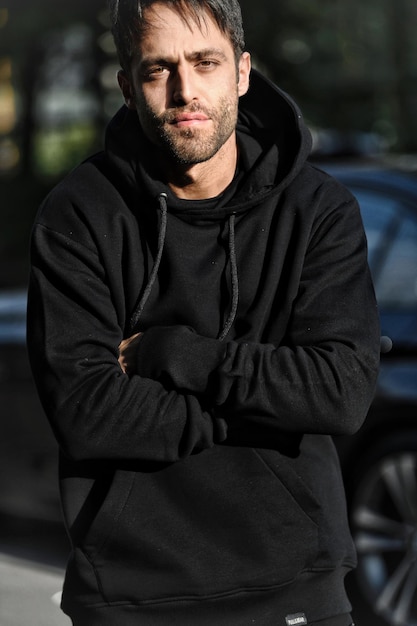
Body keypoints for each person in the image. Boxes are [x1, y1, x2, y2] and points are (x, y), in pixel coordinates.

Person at [26, 1, 380, 624]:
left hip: (296, 588)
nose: (185, 90)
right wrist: (269, 409)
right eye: (159, 69)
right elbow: (86, 412)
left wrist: (175, 355)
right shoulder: (80, 214)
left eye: (205, 62)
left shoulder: (319, 210)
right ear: (128, 87)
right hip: (129, 597)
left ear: (242, 72)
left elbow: (340, 393)